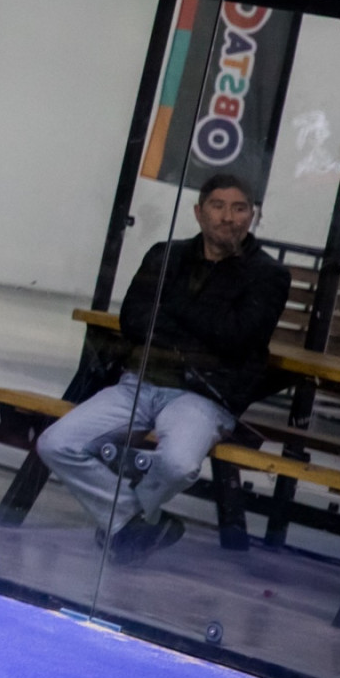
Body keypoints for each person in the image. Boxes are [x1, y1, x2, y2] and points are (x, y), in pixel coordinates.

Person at [37, 173, 290, 565]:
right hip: (139, 383)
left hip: (204, 395)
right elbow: (133, 320)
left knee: (178, 464)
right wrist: (204, 320)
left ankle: (123, 522)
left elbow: (236, 337)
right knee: (56, 443)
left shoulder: (268, 274)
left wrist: (173, 310)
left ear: (252, 216)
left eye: (239, 208)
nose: (228, 217)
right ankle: (130, 520)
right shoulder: (166, 255)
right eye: (218, 206)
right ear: (199, 213)